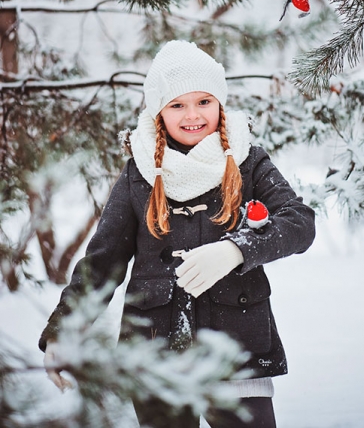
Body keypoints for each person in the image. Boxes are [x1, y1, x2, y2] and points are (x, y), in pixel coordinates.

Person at [39, 40, 315, 427]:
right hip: (156, 354)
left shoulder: (248, 160)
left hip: (238, 349)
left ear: (220, 102)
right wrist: (63, 330)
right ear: (159, 112)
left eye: (204, 101)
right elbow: (103, 261)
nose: (193, 115)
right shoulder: (138, 172)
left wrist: (236, 250)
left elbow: (299, 221)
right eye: (177, 105)